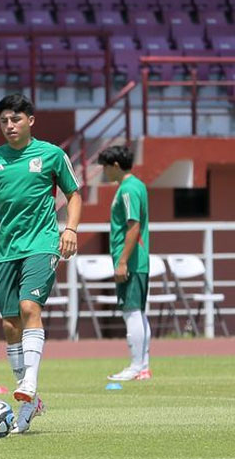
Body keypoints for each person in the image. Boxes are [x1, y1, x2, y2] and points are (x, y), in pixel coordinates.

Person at [0, 94, 82, 433]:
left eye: (15, 120)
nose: (9, 126)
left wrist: (71, 228)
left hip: (43, 242)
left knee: (29, 305)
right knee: (9, 324)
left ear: (30, 120)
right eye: (4, 121)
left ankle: (29, 382)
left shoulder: (51, 155)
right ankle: (30, 401)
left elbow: (73, 193)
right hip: (7, 250)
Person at [98, 145, 152, 382]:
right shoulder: (136, 185)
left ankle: (136, 366)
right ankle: (143, 366)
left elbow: (133, 225)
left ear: (116, 166)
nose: (104, 172)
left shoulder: (128, 189)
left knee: (131, 312)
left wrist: (122, 262)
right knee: (138, 312)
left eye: (106, 167)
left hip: (131, 260)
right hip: (138, 260)